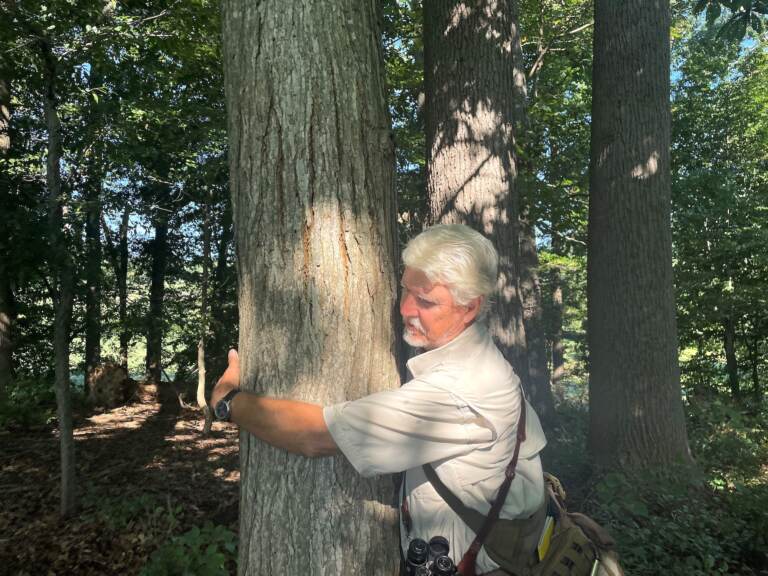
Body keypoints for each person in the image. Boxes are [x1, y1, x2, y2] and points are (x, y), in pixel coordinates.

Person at [211, 224, 547, 575]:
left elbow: (315, 434)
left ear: (469, 308)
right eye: (405, 290)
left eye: (426, 301)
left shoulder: (458, 389)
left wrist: (228, 401)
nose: (404, 309)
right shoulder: (481, 360)